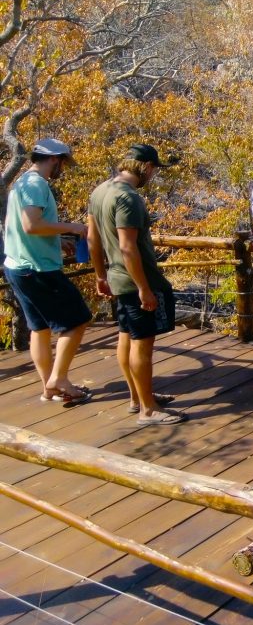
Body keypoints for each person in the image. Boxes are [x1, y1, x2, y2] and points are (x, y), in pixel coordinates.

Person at [88, 143, 185, 425]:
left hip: (117, 278)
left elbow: (92, 239)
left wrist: (100, 275)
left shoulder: (100, 191)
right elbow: (128, 248)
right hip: (135, 280)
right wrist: (144, 288)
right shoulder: (128, 198)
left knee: (126, 336)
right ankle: (148, 410)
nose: (153, 177)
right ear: (147, 167)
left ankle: (139, 397)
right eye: (154, 171)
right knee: (142, 344)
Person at [3, 139, 93, 405]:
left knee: (39, 328)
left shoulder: (21, 182)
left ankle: (49, 388)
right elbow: (31, 225)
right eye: (63, 163)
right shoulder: (35, 184)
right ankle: (59, 379)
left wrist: (57, 240)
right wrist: (73, 228)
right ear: (55, 159)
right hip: (37, 269)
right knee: (77, 320)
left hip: (18, 266)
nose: (62, 169)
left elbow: (22, 227)